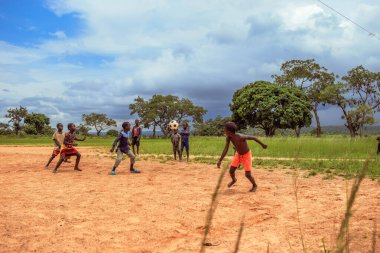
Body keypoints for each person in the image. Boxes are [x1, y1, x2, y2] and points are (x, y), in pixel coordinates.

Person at [217, 122, 267, 192]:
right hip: (238, 154)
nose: (224, 131)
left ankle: (254, 185)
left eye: (225, 129)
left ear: (228, 131)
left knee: (248, 175)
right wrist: (220, 160)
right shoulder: (228, 138)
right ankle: (234, 180)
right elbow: (226, 149)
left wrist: (262, 145)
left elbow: (253, 138)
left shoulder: (240, 137)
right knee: (231, 171)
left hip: (246, 155)